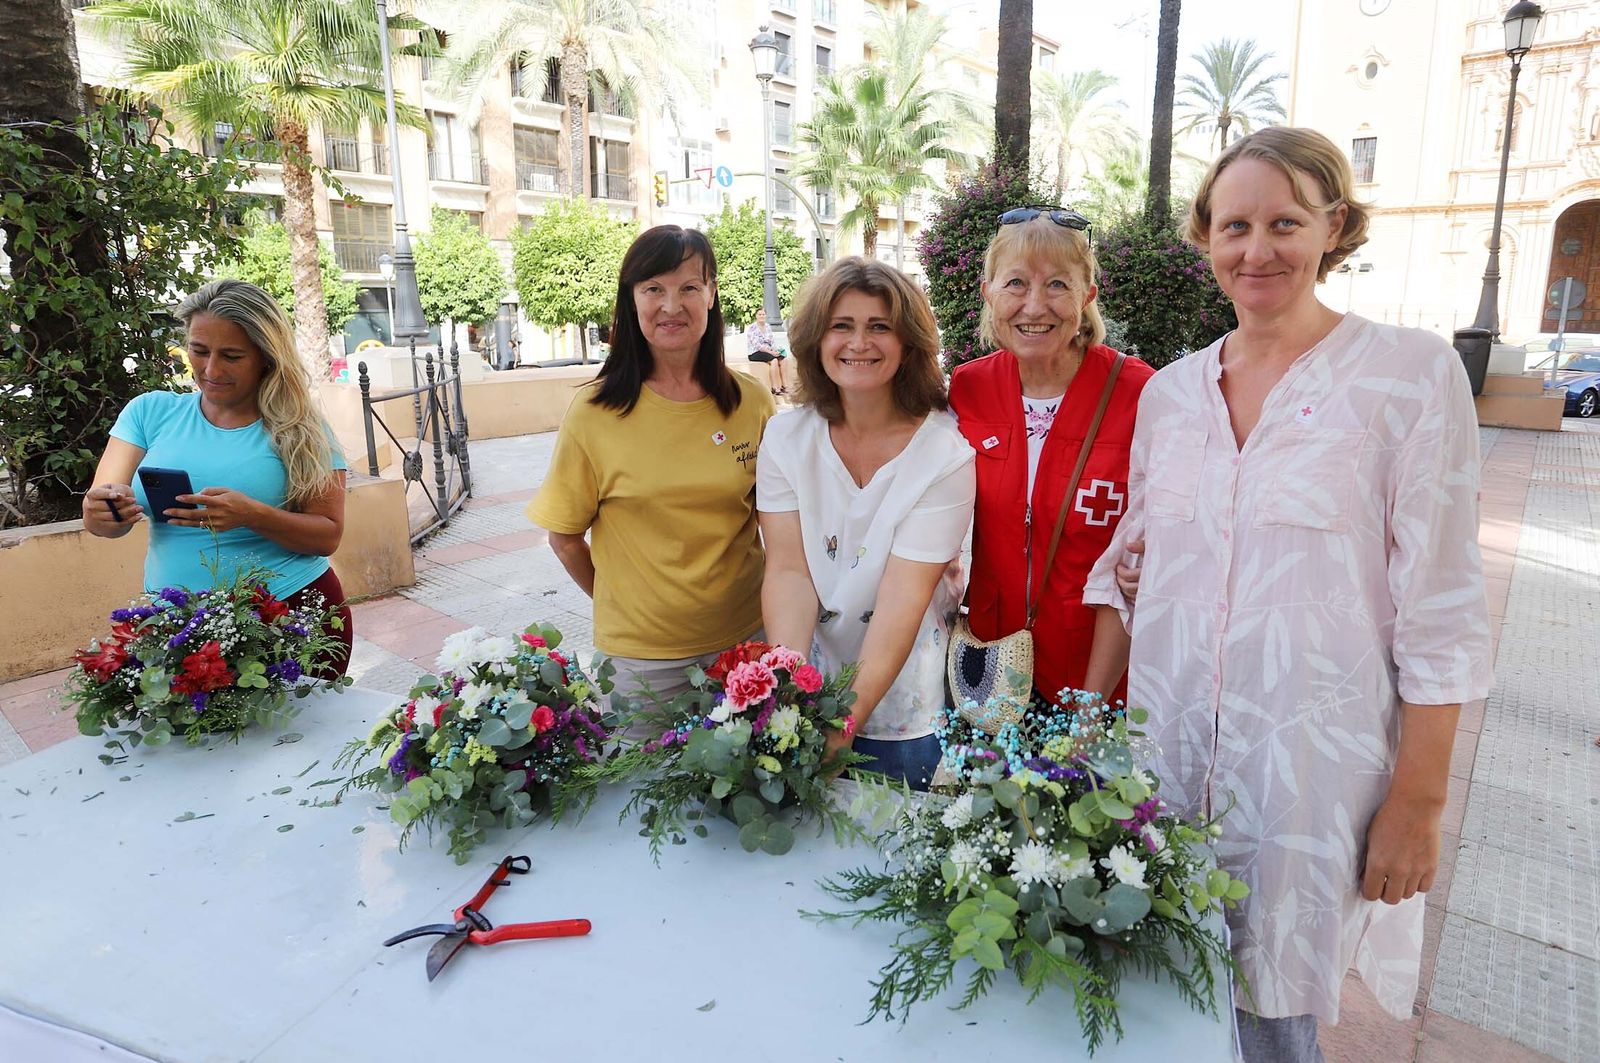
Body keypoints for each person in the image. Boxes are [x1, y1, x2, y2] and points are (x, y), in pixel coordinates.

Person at [1084, 127, 1492, 1062]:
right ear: (1206, 237)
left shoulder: (1408, 377)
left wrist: (1418, 801)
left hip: (1306, 774)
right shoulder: (1171, 394)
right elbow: (1138, 548)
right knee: (1151, 993)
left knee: (1269, 1018)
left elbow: (1441, 606)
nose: (1256, 249)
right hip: (1168, 758)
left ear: (1333, 227)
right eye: (1234, 226)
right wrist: (1146, 572)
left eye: (1285, 223)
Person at [528, 225, 775, 712]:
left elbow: (778, 524)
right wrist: (626, 608)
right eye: (653, 289)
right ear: (632, 298)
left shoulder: (752, 401)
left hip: (747, 642)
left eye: (689, 287)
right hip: (641, 664)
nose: (671, 305)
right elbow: (565, 537)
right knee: (639, 766)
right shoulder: (594, 412)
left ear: (712, 294)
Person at [758, 258, 975, 790]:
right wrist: (791, 698)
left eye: (880, 326)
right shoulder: (785, 440)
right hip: (810, 684)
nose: (859, 343)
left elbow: (902, 596)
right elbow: (789, 572)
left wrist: (843, 725)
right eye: (842, 326)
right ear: (816, 339)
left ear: (908, 344)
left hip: (904, 711)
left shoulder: (944, 453)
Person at [81, 279, 353, 676]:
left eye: (231, 355)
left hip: (290, 615)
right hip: (175, 628)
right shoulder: (148, 413)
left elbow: (328, 535)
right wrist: (104, 511)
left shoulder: (301, 430)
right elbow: (101, 519)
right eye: (199, 350)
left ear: (265, 356)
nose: (210, 369)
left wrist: (252, 516)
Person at [948, 207, 1153, 705]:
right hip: (993, 667)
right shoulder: (968, 388)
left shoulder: (1140, 393)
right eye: (1016, 283)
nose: (1035, 306)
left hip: (1101, 673)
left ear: (1087, 295)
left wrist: (1161, 564)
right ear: (988, 293)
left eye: (1058, 284)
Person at [744, 308, 791, 396]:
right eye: (759, 314)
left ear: (765, 316)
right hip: (755, 352)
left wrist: (775, 350)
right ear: (756, 316)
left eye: (763, 314)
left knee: (783, 360)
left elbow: (772, 342)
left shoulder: (768, 327)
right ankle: (775, 387)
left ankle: (785, 386)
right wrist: (771, 353)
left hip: (769, 351)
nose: (761, 316)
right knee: (774, 360)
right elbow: (758, 346)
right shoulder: (752, 328)